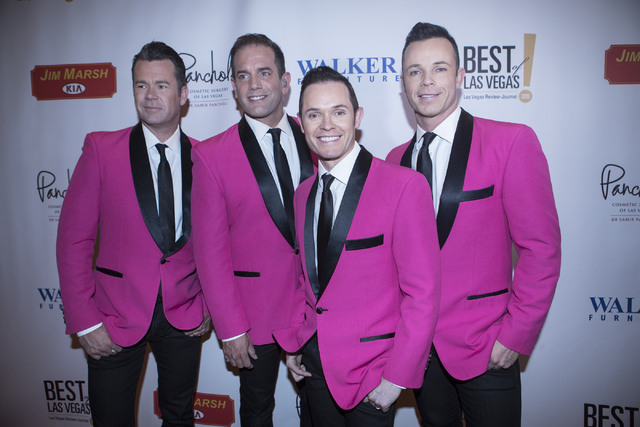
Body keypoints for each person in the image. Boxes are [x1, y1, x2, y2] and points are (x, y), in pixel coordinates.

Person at [386, 22, 562, 427]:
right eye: (414, 71)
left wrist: (514, 335)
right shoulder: (392, 162)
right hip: (420, 354)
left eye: (439, 68)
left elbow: (542, 249)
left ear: (461, 76)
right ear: (403, 84)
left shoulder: (510, 142)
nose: (426, 81)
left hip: (487, 347)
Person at [274, 66, 441, 427]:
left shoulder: (404, 186)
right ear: (300, 123)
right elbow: (306, 282)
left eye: (338, 111)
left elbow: (422, 294)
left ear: (358, 117)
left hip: (374, 374)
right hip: (314, 369)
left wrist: (397, 377)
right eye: (314, 114)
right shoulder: (303, 194)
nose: (326, 125)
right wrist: (294, 343)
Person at [56, 41, 210, 427]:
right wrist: (85, 322)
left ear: (184, 93)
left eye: (161, 84)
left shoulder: (206, 158)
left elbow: (217, 243)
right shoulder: (101, 150)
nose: (150, 95)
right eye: (141, 85)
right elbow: (73, 241)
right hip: (113, 316)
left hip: (184, 314)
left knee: (180, 418)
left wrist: (208, 305)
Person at [191, 34, 315, 427]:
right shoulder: (210, 156)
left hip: (316, 307)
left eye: (264, 72)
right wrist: (230, 329)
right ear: (232, 86)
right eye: (243, 76)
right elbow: (210, 253)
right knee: (257, 411)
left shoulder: (319, 136)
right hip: (252, 312)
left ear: (286, 81)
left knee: (322, 409)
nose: (255, 84)